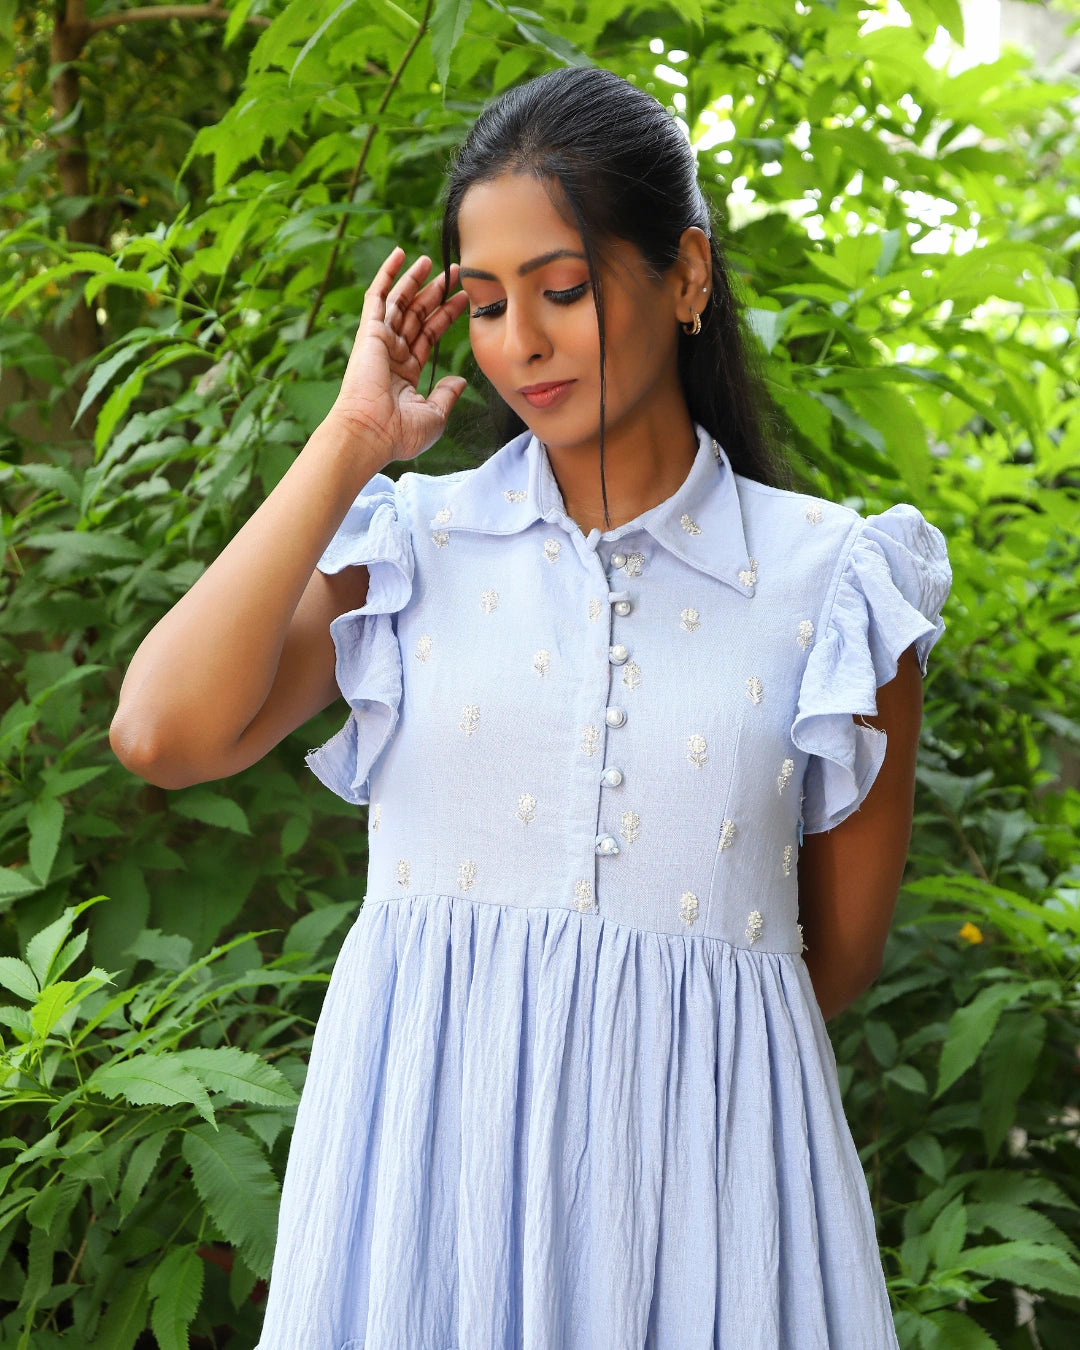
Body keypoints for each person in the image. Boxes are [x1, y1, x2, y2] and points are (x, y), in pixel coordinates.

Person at [111, 65, 952, 1350]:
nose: (521, 343)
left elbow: (827, 962)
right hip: (421, 1197)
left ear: (684, 276)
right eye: (489, 305)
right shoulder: (410, 545)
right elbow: (161, 733)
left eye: (561, 291)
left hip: (707, 1195)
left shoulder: (837, 586)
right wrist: (350, 437)